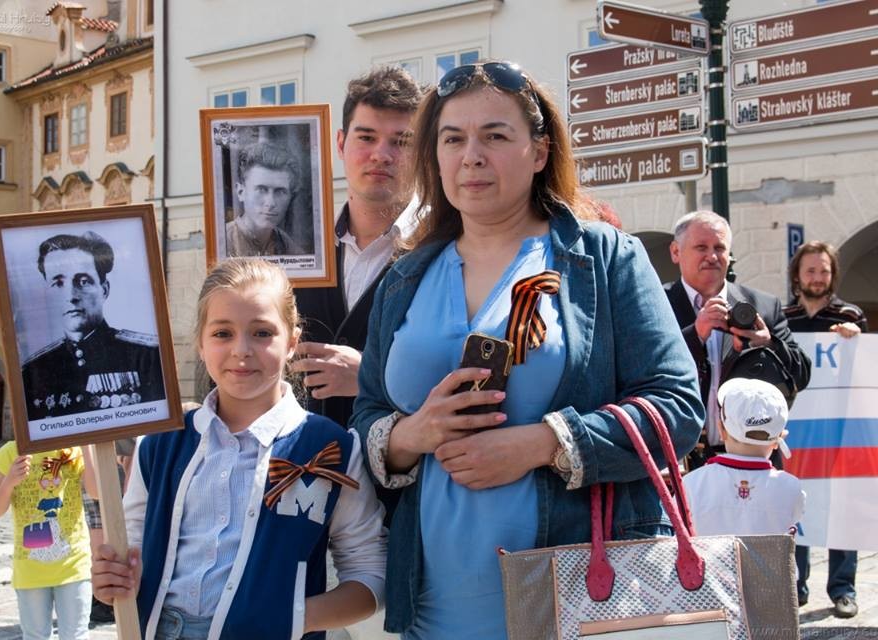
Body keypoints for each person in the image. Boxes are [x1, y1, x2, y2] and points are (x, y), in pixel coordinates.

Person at [349, 61, 704, 639]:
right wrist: (410, 436)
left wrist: (544, 444)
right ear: (434, 157)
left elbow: (679, 408)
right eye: (453, 138)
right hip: (432, 602)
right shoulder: (404, 276)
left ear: (539, 152)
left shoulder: (604, 258)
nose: (472, 156)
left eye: (495, 136)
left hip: (579, 596)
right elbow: (367, 412)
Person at [90, 258, 387, 640]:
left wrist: (294, 616)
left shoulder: (332, 448)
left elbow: (370, 575)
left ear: (292, 340)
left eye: (262, 333)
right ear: (200, 341)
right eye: (222, 334)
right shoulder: (160, 443)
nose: (241, 350)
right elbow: (133, 547)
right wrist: (113, 579)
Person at [293, 65, 422, 431]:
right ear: (339, 143)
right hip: (297, 474)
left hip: (400, 481)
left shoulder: (445, 250)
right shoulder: (297, 249)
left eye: (401, 141)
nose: (381, 154)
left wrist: (369, 374)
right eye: (366, 137)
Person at [663, 211, 811, 466]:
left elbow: (802, 375)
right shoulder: (656, 304)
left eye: (719, 247)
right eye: (701, 247)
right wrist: (695, 334)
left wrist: (768, 343)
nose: (711, 256)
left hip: (753, 461)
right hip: (681, 461)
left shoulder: (761, 306)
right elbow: (643, 369)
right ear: (676, 252)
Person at [784, 241, 868, 618]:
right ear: (798, 275)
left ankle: (843, 589)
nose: (818, 278)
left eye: (824, 271)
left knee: (841, 509)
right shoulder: (783, 318)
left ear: (832, 275)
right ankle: (795, 586)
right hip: (795, 429)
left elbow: (862, 365)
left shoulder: (850, 315)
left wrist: (855, 336)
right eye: (811, 271)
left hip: (839, 428)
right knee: (794, 507)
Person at [21, 231, 165, 420]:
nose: (71, 296)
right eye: (58, 283)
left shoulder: (148, 355)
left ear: (104, 290)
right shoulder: (33, 370)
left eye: (83, 281)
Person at [0, 443, 98, 640]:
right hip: (30, 569)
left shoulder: (74, 449)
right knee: (35, 636)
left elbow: (97, 492)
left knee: (76, 634)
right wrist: (9, 482)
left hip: (74, 563)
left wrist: (87, 447)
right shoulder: (10, 452)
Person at [684, 378, 805, 536]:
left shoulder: (691, 483)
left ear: (721, 430)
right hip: (770, 562)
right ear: (779, 439)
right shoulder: (792, 487)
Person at [225, 142, 306, 257]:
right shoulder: (223, 243)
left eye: (280, 191)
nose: (270, 203)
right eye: (261, 190)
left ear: (290, 197)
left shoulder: (288, 246)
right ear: (241, 192)